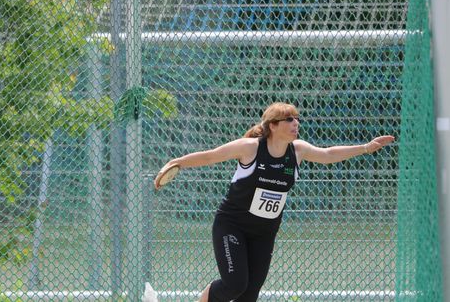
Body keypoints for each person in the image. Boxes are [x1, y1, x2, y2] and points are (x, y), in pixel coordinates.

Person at [154, 102, 395, 302]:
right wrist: (177, 162)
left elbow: (329, 154)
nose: (295, 123)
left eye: (296, 119)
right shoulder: (250, 148)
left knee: (249, 295)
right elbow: (211, 155)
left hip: (264, 232)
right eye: (289, 119)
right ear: (273, 125)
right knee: (235, 284)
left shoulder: (298, 151)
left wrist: (365, 148)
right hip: (232, 225)